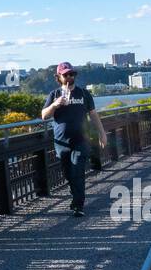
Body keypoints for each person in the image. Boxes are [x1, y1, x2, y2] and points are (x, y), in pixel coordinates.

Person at [41, 61, 107, 217]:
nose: (70, 77)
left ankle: (78, 205)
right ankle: (75, 195)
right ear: (59, 77)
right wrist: (55, 105)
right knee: (68, 174)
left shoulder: (83, 94)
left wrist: (102, 133)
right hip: (61, 142)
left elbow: (93, 115)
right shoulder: (54, 95)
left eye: (72, 74)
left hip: (81, 140)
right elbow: (44, 116)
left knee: (77, 171)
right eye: (66, 75)